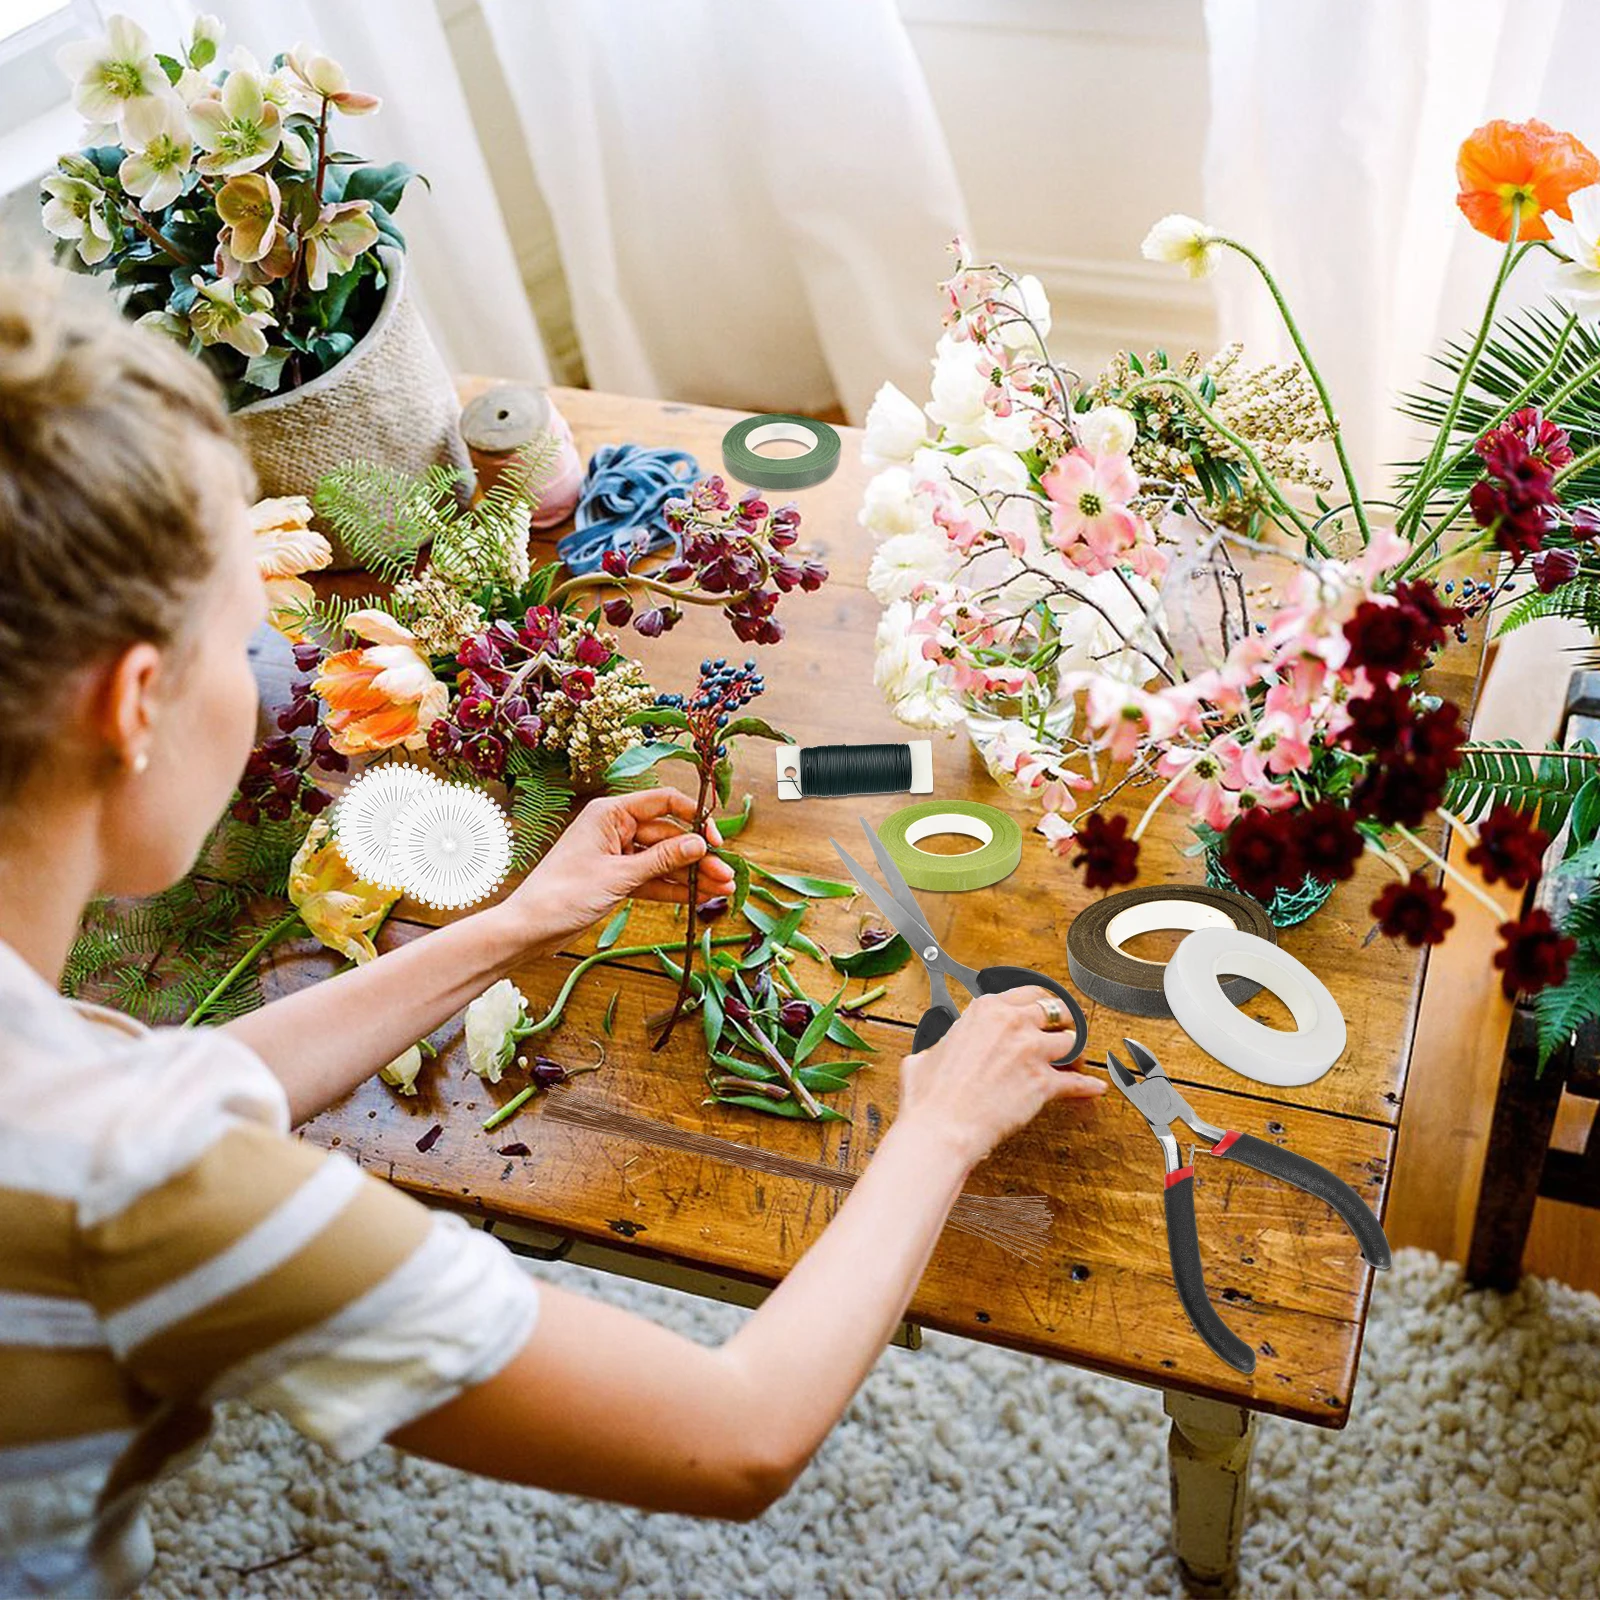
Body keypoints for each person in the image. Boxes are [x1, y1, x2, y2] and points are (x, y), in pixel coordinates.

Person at [0, 274, 1105, 1597]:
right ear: (131, 704)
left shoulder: (76, 1100)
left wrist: (519, 922)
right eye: (248, 644)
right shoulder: (134, 1189)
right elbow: (738, 1433)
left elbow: (150, 1086)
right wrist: (940, 1124)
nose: (274, 684)